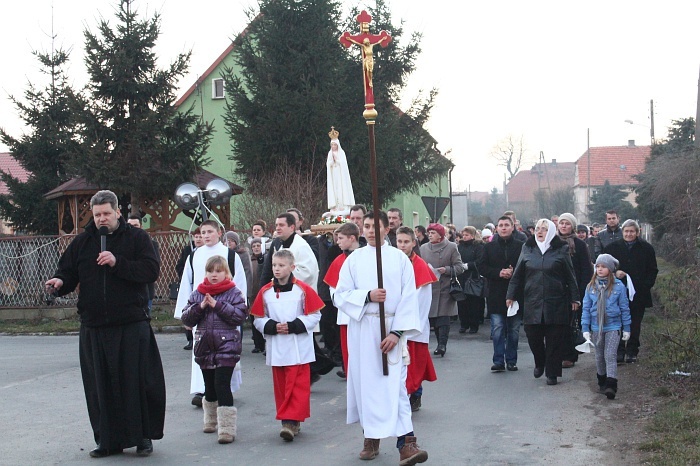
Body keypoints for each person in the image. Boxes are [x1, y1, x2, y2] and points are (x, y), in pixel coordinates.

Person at [45, 190, 164, 458]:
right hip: (95, 326)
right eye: (97, 215)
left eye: (106, 214)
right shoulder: (83, 242)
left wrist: (117, 262)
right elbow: (68, 271)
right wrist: (60, 282)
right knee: (101, 388)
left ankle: (142, 437)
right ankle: (108, 440)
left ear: (118, 212)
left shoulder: (137, 238)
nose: (101, 219)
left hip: (131, 324)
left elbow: (150, 270)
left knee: (136, 383)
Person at [334, 210, 428, 464]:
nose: (371, 231)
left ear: (388, 229)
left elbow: (410, 298)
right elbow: (339, 295)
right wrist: (367, 296)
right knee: (367, 386)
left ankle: (406, 444)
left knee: (395, 387)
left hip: (391, 330)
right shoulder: (353, 260)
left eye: (376, 226)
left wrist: (397, 333)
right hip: (364, 329)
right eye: (366, 226)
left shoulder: (399, 259)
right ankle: (371, 437)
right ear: (361, 229)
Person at [250, 249, 324, 441]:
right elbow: (258, 318)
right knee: (282, 387)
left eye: (281, 265)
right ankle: (289, 420)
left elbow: (315, 315)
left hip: (298, 346)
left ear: (292, 267)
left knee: (297, 386)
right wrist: (272, 327)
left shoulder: (303, 290)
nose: (277, 269)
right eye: (274, 265)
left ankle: (289, 422)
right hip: (277, 346)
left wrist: (293, 326)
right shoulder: (265, 292)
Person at [175, 220, 248, 408]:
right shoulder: (194, 256)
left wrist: (238, 309)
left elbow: (239, 283)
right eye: (203, 232)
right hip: (201, 312)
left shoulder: (230, 255)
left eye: (210, 231)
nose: (206, 235)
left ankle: (225, 389)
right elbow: (187, 283)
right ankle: (202, 390)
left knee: (225, 352)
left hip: (225, 313)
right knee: (202, 353)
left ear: (219, 232)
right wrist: (185, 314)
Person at [180, 256, 248, 443]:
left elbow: (240, 316)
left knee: (221, 384)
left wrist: (218, 306)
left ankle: (227, 428)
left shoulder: (234, 292)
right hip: (204, 345)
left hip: (227, 345)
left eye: (218, 271)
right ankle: (210, 420)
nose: (214, 275)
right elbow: (186, 319)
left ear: (226, 273)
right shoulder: (198, 293)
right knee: (208, 386)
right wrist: (200, 307)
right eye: (210, 271)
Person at [506, 219, 580, 386]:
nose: (539, 232)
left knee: (554, 339)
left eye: (544, 229)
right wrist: (510, 295)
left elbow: (570, 276)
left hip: (556, 301)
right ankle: (540, 362)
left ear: (552, 232)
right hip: (532, 300)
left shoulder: (561, 249)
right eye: (538, 229)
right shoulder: (527, 249)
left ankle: (552, 373)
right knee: (533, 336)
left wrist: (575, 298)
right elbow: (517, 275)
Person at [603, 219, 658, 363]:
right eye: (626, 231)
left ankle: (632, 351)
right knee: (618, 322)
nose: (629, 234)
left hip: (639, 293)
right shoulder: (612, 248)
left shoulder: (647, 248)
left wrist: (645, 285)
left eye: (632, 231)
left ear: (637, 232)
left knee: (635, 323)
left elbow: (652, 270)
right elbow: (602, 268)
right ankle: (619, 351)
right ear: (622, 232)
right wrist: (615, 274)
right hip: (616, 293)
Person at [396, 226, 438, 412]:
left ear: (414, 243)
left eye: (406, 242)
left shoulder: (419, 265)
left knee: (414, 364)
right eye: (399, 241)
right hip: (396, 321)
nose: (403, 245)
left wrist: (408, 323)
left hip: (412, 324)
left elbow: (422, 299)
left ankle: (415, 395)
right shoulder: (393, 261)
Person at [581, 254, 631, 400]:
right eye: (597, 266)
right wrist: (585, 328)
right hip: (596, 326)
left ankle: (611, 384)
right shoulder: (590, 287)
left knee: (610, 355)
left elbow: (624, 307)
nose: (600, 269)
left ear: (610, 269)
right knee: (599, 356)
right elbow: (586, 308)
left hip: (613, 326)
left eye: (603, 267)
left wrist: (626, 327)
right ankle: (602, 381)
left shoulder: (619, 287)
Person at [478, 216, 524, 372]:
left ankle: (511, 360)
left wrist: (514, 272)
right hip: (496, 294)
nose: (503, 228)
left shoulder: (521, 246)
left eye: (506, 225)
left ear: (513, 227)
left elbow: (526, 267)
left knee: (513, 330)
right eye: (501, 225)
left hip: (515, 295)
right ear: (496, 229)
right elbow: (482, 267)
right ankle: (498, 360)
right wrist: (499, 272)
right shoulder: (488, 247)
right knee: (497, 329)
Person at [324, 222, 362, 379]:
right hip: (346, 314)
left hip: (365, 312)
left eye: (340, 238)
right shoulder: (339, 260)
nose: (337, 242)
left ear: (352, 238)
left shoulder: (365, 256)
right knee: (349, 351)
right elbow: (333, 289)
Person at [420, 222, 464, 357]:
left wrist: (447, 270)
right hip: (429, 287)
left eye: (433, 233)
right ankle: (440, 343)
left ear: (440, 235)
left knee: (443, 318)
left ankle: (442, 345)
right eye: (429, 232)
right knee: (434, 319)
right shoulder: (423, 248)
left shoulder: (451, 247)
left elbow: (459, 267)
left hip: (445, 287)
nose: (429, 235)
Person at [557, 213, 593, 369]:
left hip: (575, 289)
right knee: (558, 324)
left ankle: (569, 355)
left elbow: (586, 269)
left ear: (572, 226)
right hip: (556, 290)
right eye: (561, 223)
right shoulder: (552, 242)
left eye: (567, 223)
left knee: (571, 323)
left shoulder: (579, 244)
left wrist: (581, 292)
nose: (564, 226)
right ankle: (557, 353)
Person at [127, 214, 160, 317]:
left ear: (141, 226)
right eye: (130, 225)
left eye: (135, 225)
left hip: (145, 290)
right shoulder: (122, 244)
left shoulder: (150, 244)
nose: (132, 228)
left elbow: (154, 266)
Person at [177, 227, 203, 350]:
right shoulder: (188, 251)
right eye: (196, 236)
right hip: (191, 285)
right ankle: (190, 339)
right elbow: (180, 266)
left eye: (200, 236)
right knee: (189, 311)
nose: (197, 239)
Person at [457, 226, 486, 334]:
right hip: (461, 277)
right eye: (463, 235)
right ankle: (463, 324)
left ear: (473, 235)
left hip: (473, 277)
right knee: (461, 302)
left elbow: (480, 260)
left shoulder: (478, 246)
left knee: (473, 303)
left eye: (467, 235)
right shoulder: (460, 246)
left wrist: (468, 266)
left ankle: (474, 325)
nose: (464, 237)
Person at [326, 128, 356, 214]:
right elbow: (328, 164)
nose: (333, 147)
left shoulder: (341, 153)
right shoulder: (330, 153)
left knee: (342, 187)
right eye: (332, 145)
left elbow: (343, 164)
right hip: (333, 174)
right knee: (335, 188)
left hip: (340, 174)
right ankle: (335, 205)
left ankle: (343, 204)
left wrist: (337, 161)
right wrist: (331, 162)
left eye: (335, 145)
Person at [249, 238, 266, 354]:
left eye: (258, 245)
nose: (256, 247)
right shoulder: (249, 260)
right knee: (253, 318)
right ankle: (258, 344)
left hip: (262, 292)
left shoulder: (265, 259)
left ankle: (265, 344)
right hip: (252, 293)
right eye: (254, 246)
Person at [224, 231, 253, 301]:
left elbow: (248, 272)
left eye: (231, 241)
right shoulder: (222, 253)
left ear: (236, 242)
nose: (229, 243)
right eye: (227, 241)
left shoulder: (243, 254)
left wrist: (248, 293)